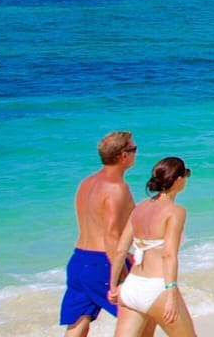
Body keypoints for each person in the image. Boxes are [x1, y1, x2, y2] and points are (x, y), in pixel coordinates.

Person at [63, 132, 141, 336]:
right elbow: (110, 236)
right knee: (137, 317)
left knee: (78, 321)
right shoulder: (117, 188)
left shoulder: (86, 183)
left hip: (79, 260)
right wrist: (121, 276)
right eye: (134, 149)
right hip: (102, 263)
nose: (136, 153)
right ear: (123, 155)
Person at [111, 158, 197, 337]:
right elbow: (169, 255)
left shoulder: (140, 208)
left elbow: (120, 251)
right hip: (157, 288)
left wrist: (113, 287)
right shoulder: (175, 211)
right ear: (178, 180)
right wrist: (171, 295)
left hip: (131, 286)